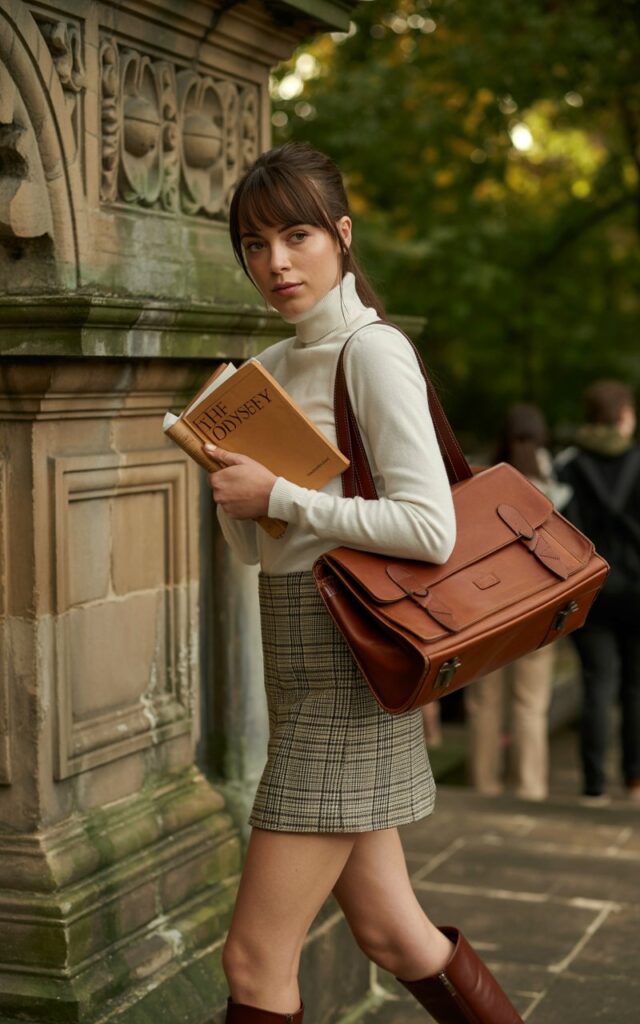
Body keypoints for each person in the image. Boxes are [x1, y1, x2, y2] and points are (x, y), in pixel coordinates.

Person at [205, 142, 525, 1023]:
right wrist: (237, 493)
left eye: (296, 235)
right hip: (299, 655)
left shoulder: (372, 351)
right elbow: (256, 552)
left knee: (253, 960)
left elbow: (431, 527)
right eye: (254, 244)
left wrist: (282, 493)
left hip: (348, 672)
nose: (274, 262)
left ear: (342, 237)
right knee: (395, 934)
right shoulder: (271, 367)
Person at [465, 404, 572, 802]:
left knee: (484, 701)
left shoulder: (483, 478)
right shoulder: (553, 487)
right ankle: (531, 787)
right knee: (530, 704)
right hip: (539, 606)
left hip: (487, 606)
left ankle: (484, 783)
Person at [556, 380, 640, 805]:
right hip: (637, 589)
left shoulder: (568, 465)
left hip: (590, 587)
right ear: (624, 415)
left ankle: (593, 785)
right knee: (635, 687)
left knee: (597, 682)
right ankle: (634, 781)